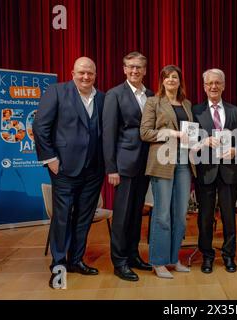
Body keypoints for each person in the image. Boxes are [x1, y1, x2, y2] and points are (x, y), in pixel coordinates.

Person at [33, 57, 105, 288]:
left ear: (95, 74)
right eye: (81, 72)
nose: (86, 77)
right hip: (64, 167)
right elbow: (40, 126)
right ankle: (59, 265)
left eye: (90, 73)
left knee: (84, 217)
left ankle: (76, 260)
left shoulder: (102, 98)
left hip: (94, 170)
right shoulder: (56, 91)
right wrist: (50, 159)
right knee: (62, 217)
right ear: (73, 72)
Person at [140, 65, 196, 279]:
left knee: (180, 215)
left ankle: (174, 258)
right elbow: (145, 132)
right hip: (163, 161)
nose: (172, 80)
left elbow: (190, 133)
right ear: (162, 81)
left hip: (184, 162)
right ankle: (158, 261)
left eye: (175, 77)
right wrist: (170, 132)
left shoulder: (187, 103)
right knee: (162, 215)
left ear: (180, 81)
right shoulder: (153, 102)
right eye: (168, 77)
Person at [102, 51, 154, 282]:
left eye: (139, 67)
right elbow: (108, 133)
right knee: (122, 216)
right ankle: (120, 262)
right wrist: (111, 168)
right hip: (124, 165)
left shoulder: (151, 95)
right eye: (130, 67)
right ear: (124, 69)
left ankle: (133, 255)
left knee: (136, 214)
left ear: (145, 70)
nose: (135, 71)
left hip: (146, 164)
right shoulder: (114, 94)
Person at [192, 68, 237, 274]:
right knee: (205, 218)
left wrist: (235, 150)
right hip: (205, 172)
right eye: (209, 83)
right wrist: (203, 141)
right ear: (204, 87)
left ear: (223, 85)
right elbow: (190, 141)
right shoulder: (195, 111)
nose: (213, 86)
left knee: (229, 217)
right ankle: (207, 256)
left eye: (217, 83)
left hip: (229, 172)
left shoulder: (234, 110)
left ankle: (229, 256)